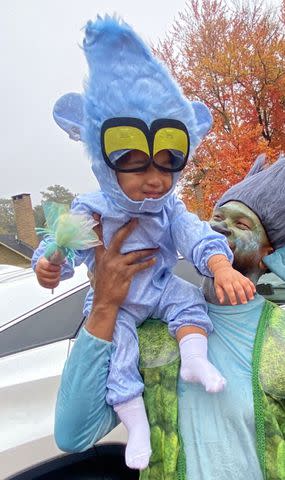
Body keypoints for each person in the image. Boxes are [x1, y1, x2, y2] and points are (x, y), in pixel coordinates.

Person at [32, 16, 255, 471]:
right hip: (116, 306)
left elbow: (195, 234)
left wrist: (219, 265)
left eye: (168, 164)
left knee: (188, 302)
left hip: (160, 285)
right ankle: (136, 424)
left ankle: (194, 357)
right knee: (122, 357)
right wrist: (53, 266)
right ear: (101, 157)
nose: (155, 180)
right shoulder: (94, 207)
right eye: (135, 164)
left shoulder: (171, 210)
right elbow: (64, 244)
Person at [54, 154, 285, 480]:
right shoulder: (149, 327)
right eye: (216, 217)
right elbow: (73, 434)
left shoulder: (280, 333)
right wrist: (105, 304)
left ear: (269, 255)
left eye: (242, 224)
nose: (220, 228)